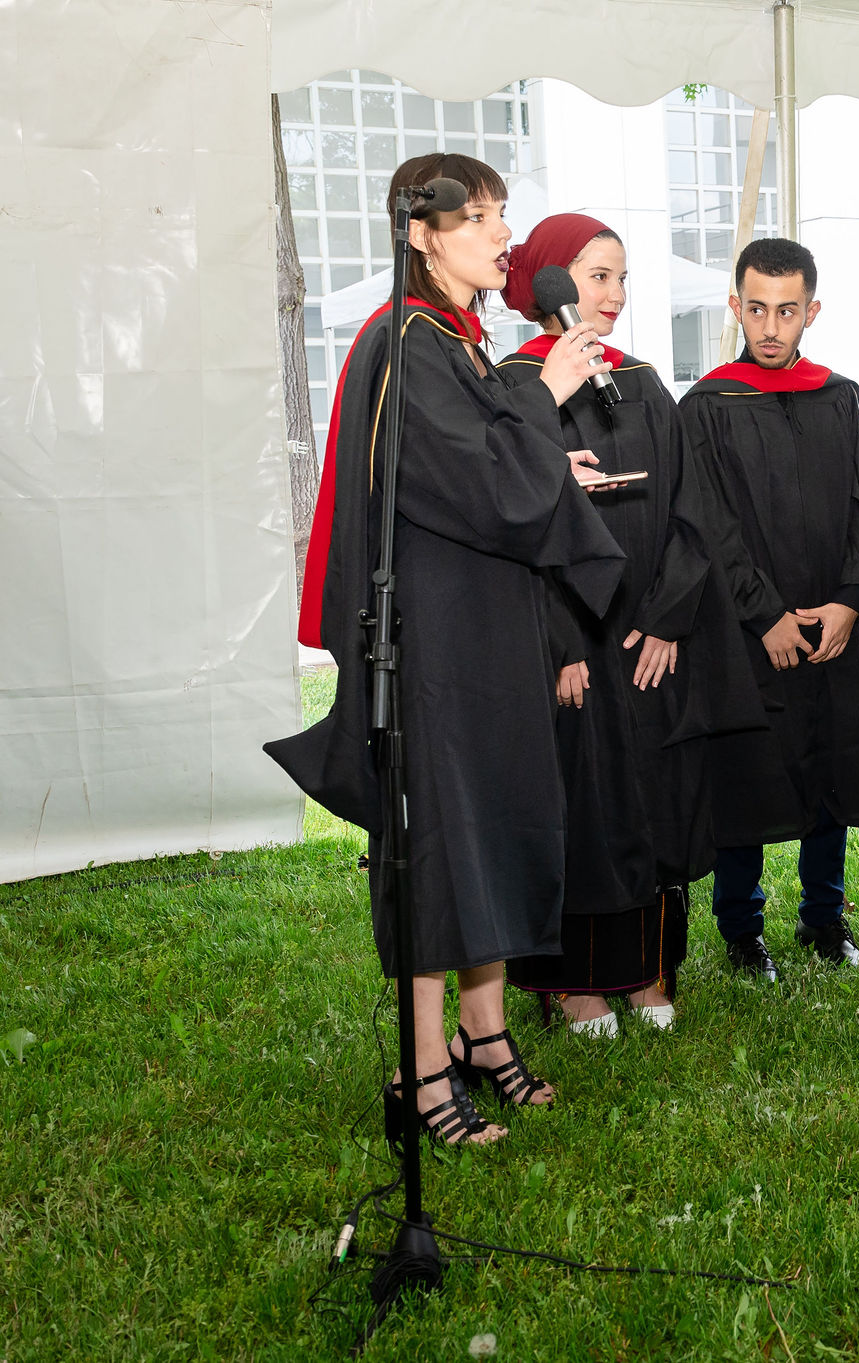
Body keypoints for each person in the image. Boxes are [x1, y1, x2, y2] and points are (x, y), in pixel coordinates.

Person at [268, 154, 630, 1145]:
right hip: (434, 642)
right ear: (419, 232)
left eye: (501, 213)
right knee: (439, 844)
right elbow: (472, 487)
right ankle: (421, 1069)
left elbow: (490, 475)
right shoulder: (409, 341)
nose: (500, 235)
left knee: (493, 823)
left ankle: (484, 1032)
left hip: (483, 625)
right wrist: (545, 398)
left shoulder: (460, 340)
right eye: (476, 217)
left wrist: (553, 469)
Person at [496, 214, 764, 1034]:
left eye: (619, 277)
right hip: (575, 642)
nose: (613, 294)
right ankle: (574, 986)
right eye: (595, 275)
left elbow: (693, 508)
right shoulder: (514, 386)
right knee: (581, 808)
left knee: (658, 802)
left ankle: (649, 974)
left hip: (647, 634)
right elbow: (519, 527)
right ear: (548, 282)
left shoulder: (643, 381)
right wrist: (562, 643)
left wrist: (672, 618)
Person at [680, 237, 859, 982]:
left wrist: (848, 602)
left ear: (812, 312)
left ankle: (826, 921)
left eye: (787, 311)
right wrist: (762, 613)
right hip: (747, 634)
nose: (771, 327)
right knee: (749, 774)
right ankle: (742, 930)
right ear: (735, 306)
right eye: (757, 308)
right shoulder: (705, 406)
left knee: (829, 766)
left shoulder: (839, 395)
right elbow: (706, 522)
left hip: (829, 624)